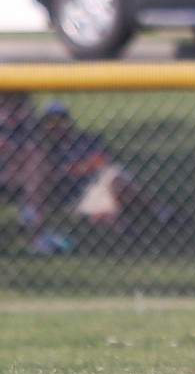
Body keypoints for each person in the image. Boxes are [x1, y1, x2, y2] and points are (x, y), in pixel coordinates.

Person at [37, 101, 180, 235]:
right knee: (108, 217)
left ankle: (164, 214)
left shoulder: (85, 139)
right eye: (51, 122)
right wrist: (82, 167)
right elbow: (56, 176)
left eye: (61, 120)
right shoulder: (45, 149)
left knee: (117, 179)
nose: (57, 126)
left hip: (100, 180)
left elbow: (101, 160)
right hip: (79, 195)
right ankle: (133, 234)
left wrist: (75, 169)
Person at [0, 92, 69, 255]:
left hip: (16, 168)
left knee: (37, 160)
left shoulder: (23, 111)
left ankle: (33, 224)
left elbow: (32, 143)